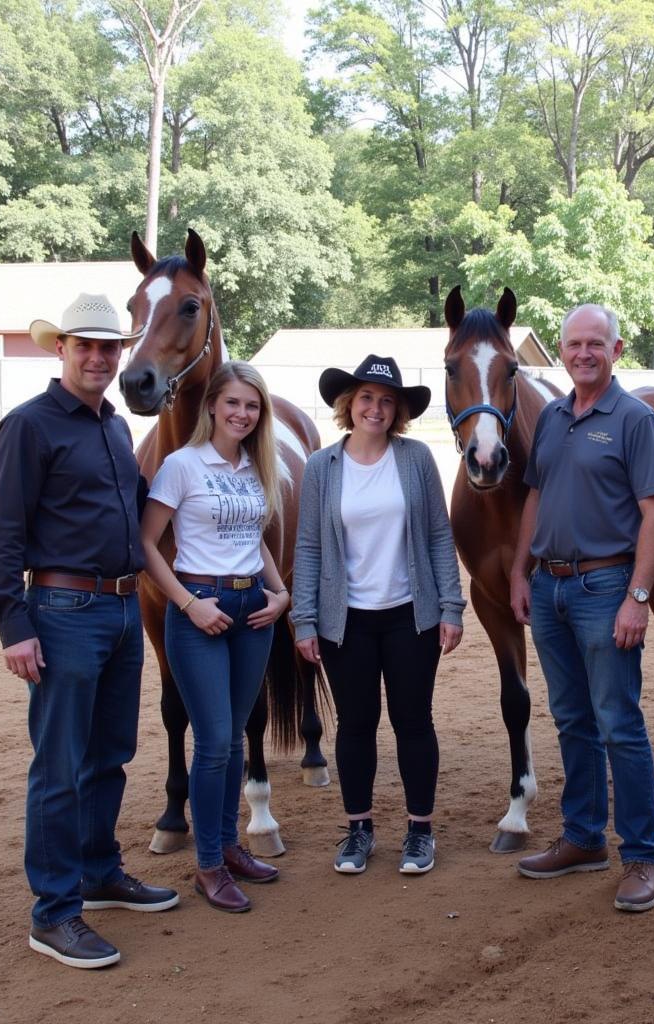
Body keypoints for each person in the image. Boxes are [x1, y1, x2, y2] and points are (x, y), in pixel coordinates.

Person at [0, 293, 179, 970]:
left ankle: (98, 871)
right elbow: (1, 535)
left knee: (109, 754)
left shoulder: (115, 428)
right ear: (59, 349)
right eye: (84, 345)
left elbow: (137, 506)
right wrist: (13, 624)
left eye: (108, 347)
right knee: (59, 767)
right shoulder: (29, 427)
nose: (98, 357)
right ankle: (54, 913)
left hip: (123, 609)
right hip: (63, 614)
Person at [509, 303, 654, 914]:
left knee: (618, 722)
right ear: (561, 348)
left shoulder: (635, 420)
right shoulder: (551, 416)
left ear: (616, 350)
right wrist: (521, 572)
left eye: (594, 344)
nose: (582, 353)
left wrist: (638, 595)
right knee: (571, 718)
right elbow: (535, 497)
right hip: (549, 589)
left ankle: (641, 855)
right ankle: (582, 838)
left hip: (606, 588)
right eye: (572, 344)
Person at [291, 355, 465, 875]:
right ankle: (359, 829)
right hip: (345, 620)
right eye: (367, 398)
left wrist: (452, 606)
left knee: (414, 722)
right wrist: (304, 619)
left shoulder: (414, 460)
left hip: (412, 614)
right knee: (355, 724)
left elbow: (438, 534)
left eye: (387, 401)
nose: (376, 408)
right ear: (350, 404)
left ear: (399, 412)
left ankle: (420, 831)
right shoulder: (323, 466)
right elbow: (308, 547)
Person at [141, 362, 289, 913]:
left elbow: (258, 541)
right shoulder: (182, 466)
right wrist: (186, 603)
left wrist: (281, 596)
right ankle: (207, 864)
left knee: (232, 742)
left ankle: (229, 847)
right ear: (211, 407)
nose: (242, 414)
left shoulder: (257, 468)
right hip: (201, 609)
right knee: (212, 742)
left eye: (252, 406)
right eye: (232, 403)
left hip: (253, 610)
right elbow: (148, 544)